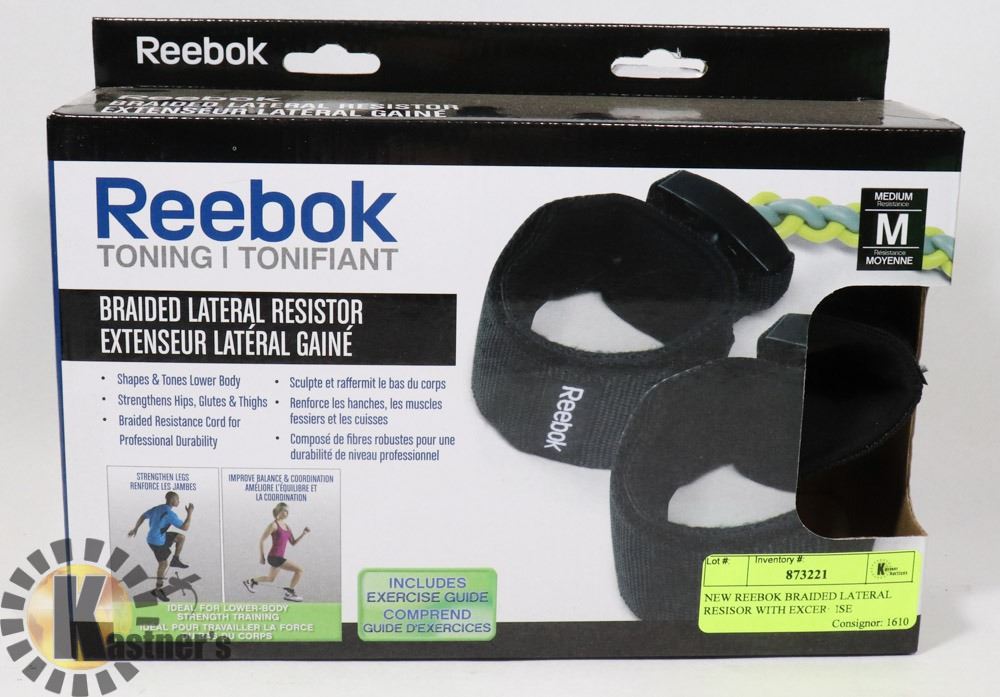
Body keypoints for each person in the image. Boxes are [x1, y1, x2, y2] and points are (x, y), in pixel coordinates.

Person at [128, 491, 194, 601]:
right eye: (177, 499)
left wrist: (135, 529)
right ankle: (157, 590)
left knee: (181, 538)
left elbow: (143, 516)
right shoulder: (170, 514)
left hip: (156, 536)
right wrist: (190, 513)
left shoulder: (157, 508)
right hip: (157, 542)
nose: (179, 501)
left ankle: (175, 560)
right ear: (172, 500)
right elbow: (185, 527)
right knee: (163, 564)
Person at [242, 502, 310, 602]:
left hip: (278, 558)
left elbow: (293, 543)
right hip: (274, 557)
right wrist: (262, 556)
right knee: (299, 570)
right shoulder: (273, 525)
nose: (286, 513)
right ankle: (289, 593)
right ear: (279, 511)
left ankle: (249, 581)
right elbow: (262, 540)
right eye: (284, 511)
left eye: (287, 511)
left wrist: (303, 534)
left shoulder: (287, 527)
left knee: (270, 579)